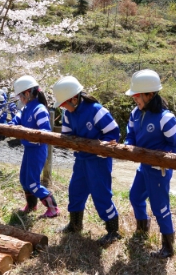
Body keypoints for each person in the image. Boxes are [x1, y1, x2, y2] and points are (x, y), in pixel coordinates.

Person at [53, 76, 121, 246]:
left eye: (64, 103)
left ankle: (113, 231)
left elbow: (113, 133)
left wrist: (101, 148)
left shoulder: (97, 110)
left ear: (74, 98)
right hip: (81, 159)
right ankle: (75, 224)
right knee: (75, 189)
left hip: (98, 160)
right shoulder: (68, 113)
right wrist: (70, 143)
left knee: (101, 194)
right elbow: (67, 135)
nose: (63, 107)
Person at [124, 69, 176, 258]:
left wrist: (163, 159)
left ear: (150, 95)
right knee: (135, 196)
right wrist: (127, 147)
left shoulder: (166, 118)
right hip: (143, 167)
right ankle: (142, 229)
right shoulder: (135, 114)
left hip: (159, 171)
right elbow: (131, 136)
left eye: (138, 97)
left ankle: (168, 245)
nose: (136, 101)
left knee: (160, 206)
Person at [9, 75, 59, 218]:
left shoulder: (39, 109)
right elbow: (14, 122)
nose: (19, 99)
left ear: (27, 93)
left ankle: (53, 208)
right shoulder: (25, 109)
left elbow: (45, 131)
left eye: (20, 95)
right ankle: (31, 205)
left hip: (37, 150)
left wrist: (30, 134)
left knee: (32, 181)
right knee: (24, 179)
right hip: (28, 149)